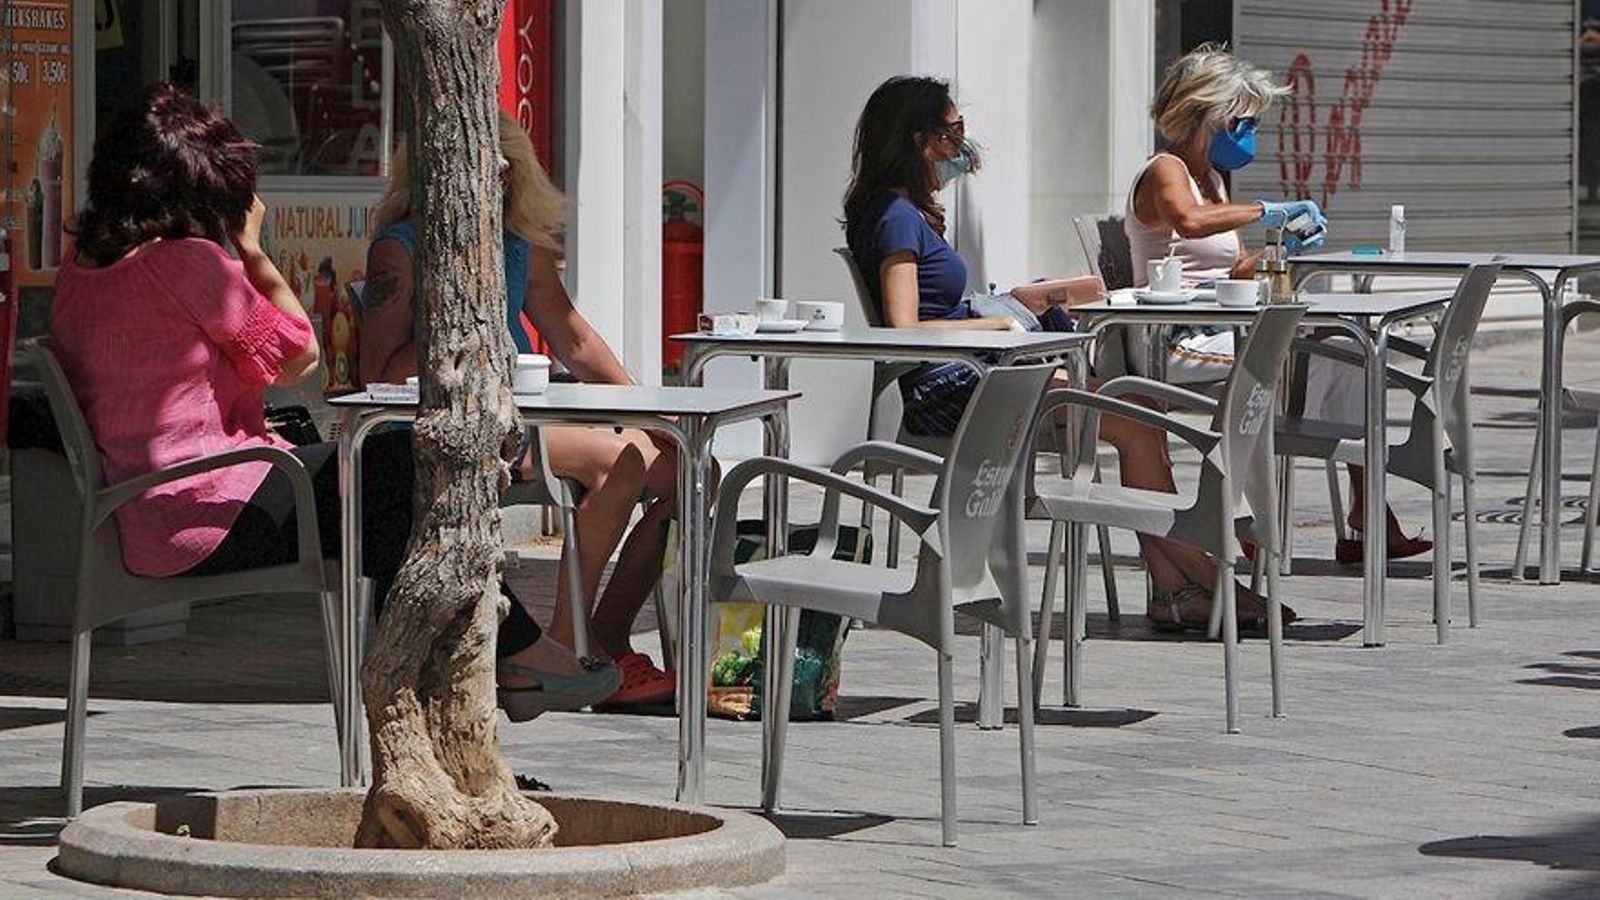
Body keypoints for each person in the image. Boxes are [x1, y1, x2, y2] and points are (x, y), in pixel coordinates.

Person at [50, 84, 616, 722]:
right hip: (210, 507)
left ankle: (466, 677)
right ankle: (486, 669)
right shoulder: (187, 263)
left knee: (383, 494)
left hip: (146, 511)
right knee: (403, 462)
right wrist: (252, 250)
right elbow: (300, 355)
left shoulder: (82, 269)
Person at [843, 75, 1281, 632]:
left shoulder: (901, 211)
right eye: (955, 131)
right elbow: (907, 329)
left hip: (978, 377)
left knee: (1136, 413)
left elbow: (944, 304)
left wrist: (1040, 296)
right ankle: (1212, 579)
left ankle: (1182, 589)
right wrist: (994, 324)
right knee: (1135, 423)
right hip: (954, 390)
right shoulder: (895, 218)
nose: (963, 145)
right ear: (919, 140)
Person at [361, 112, 677, 708]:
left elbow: (573, 338)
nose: (496, 185)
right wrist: (456, 332)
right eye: (486, 172)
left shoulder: (516, 243)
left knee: (686, 469)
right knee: (621, 463)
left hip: (519, 417)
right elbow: (376, 373)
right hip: (437, 423)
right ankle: (554, 651)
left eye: (507, 174)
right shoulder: (400, 250)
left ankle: (602, 636)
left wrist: (649, 411)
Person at [1127, 44, 1429, 565]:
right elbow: (1188, 224)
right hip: (1174, 341)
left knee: (1350, 359)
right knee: (1301, 365)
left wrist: (1281, 246)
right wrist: (1270, 208)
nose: (1250, 135)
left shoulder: (1212, 181)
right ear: (1209, 117)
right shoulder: (1166, 169)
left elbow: (1232, 268)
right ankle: (1245, 516)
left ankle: (1367, 510)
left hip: (1223, 329)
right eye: (1243, 122)